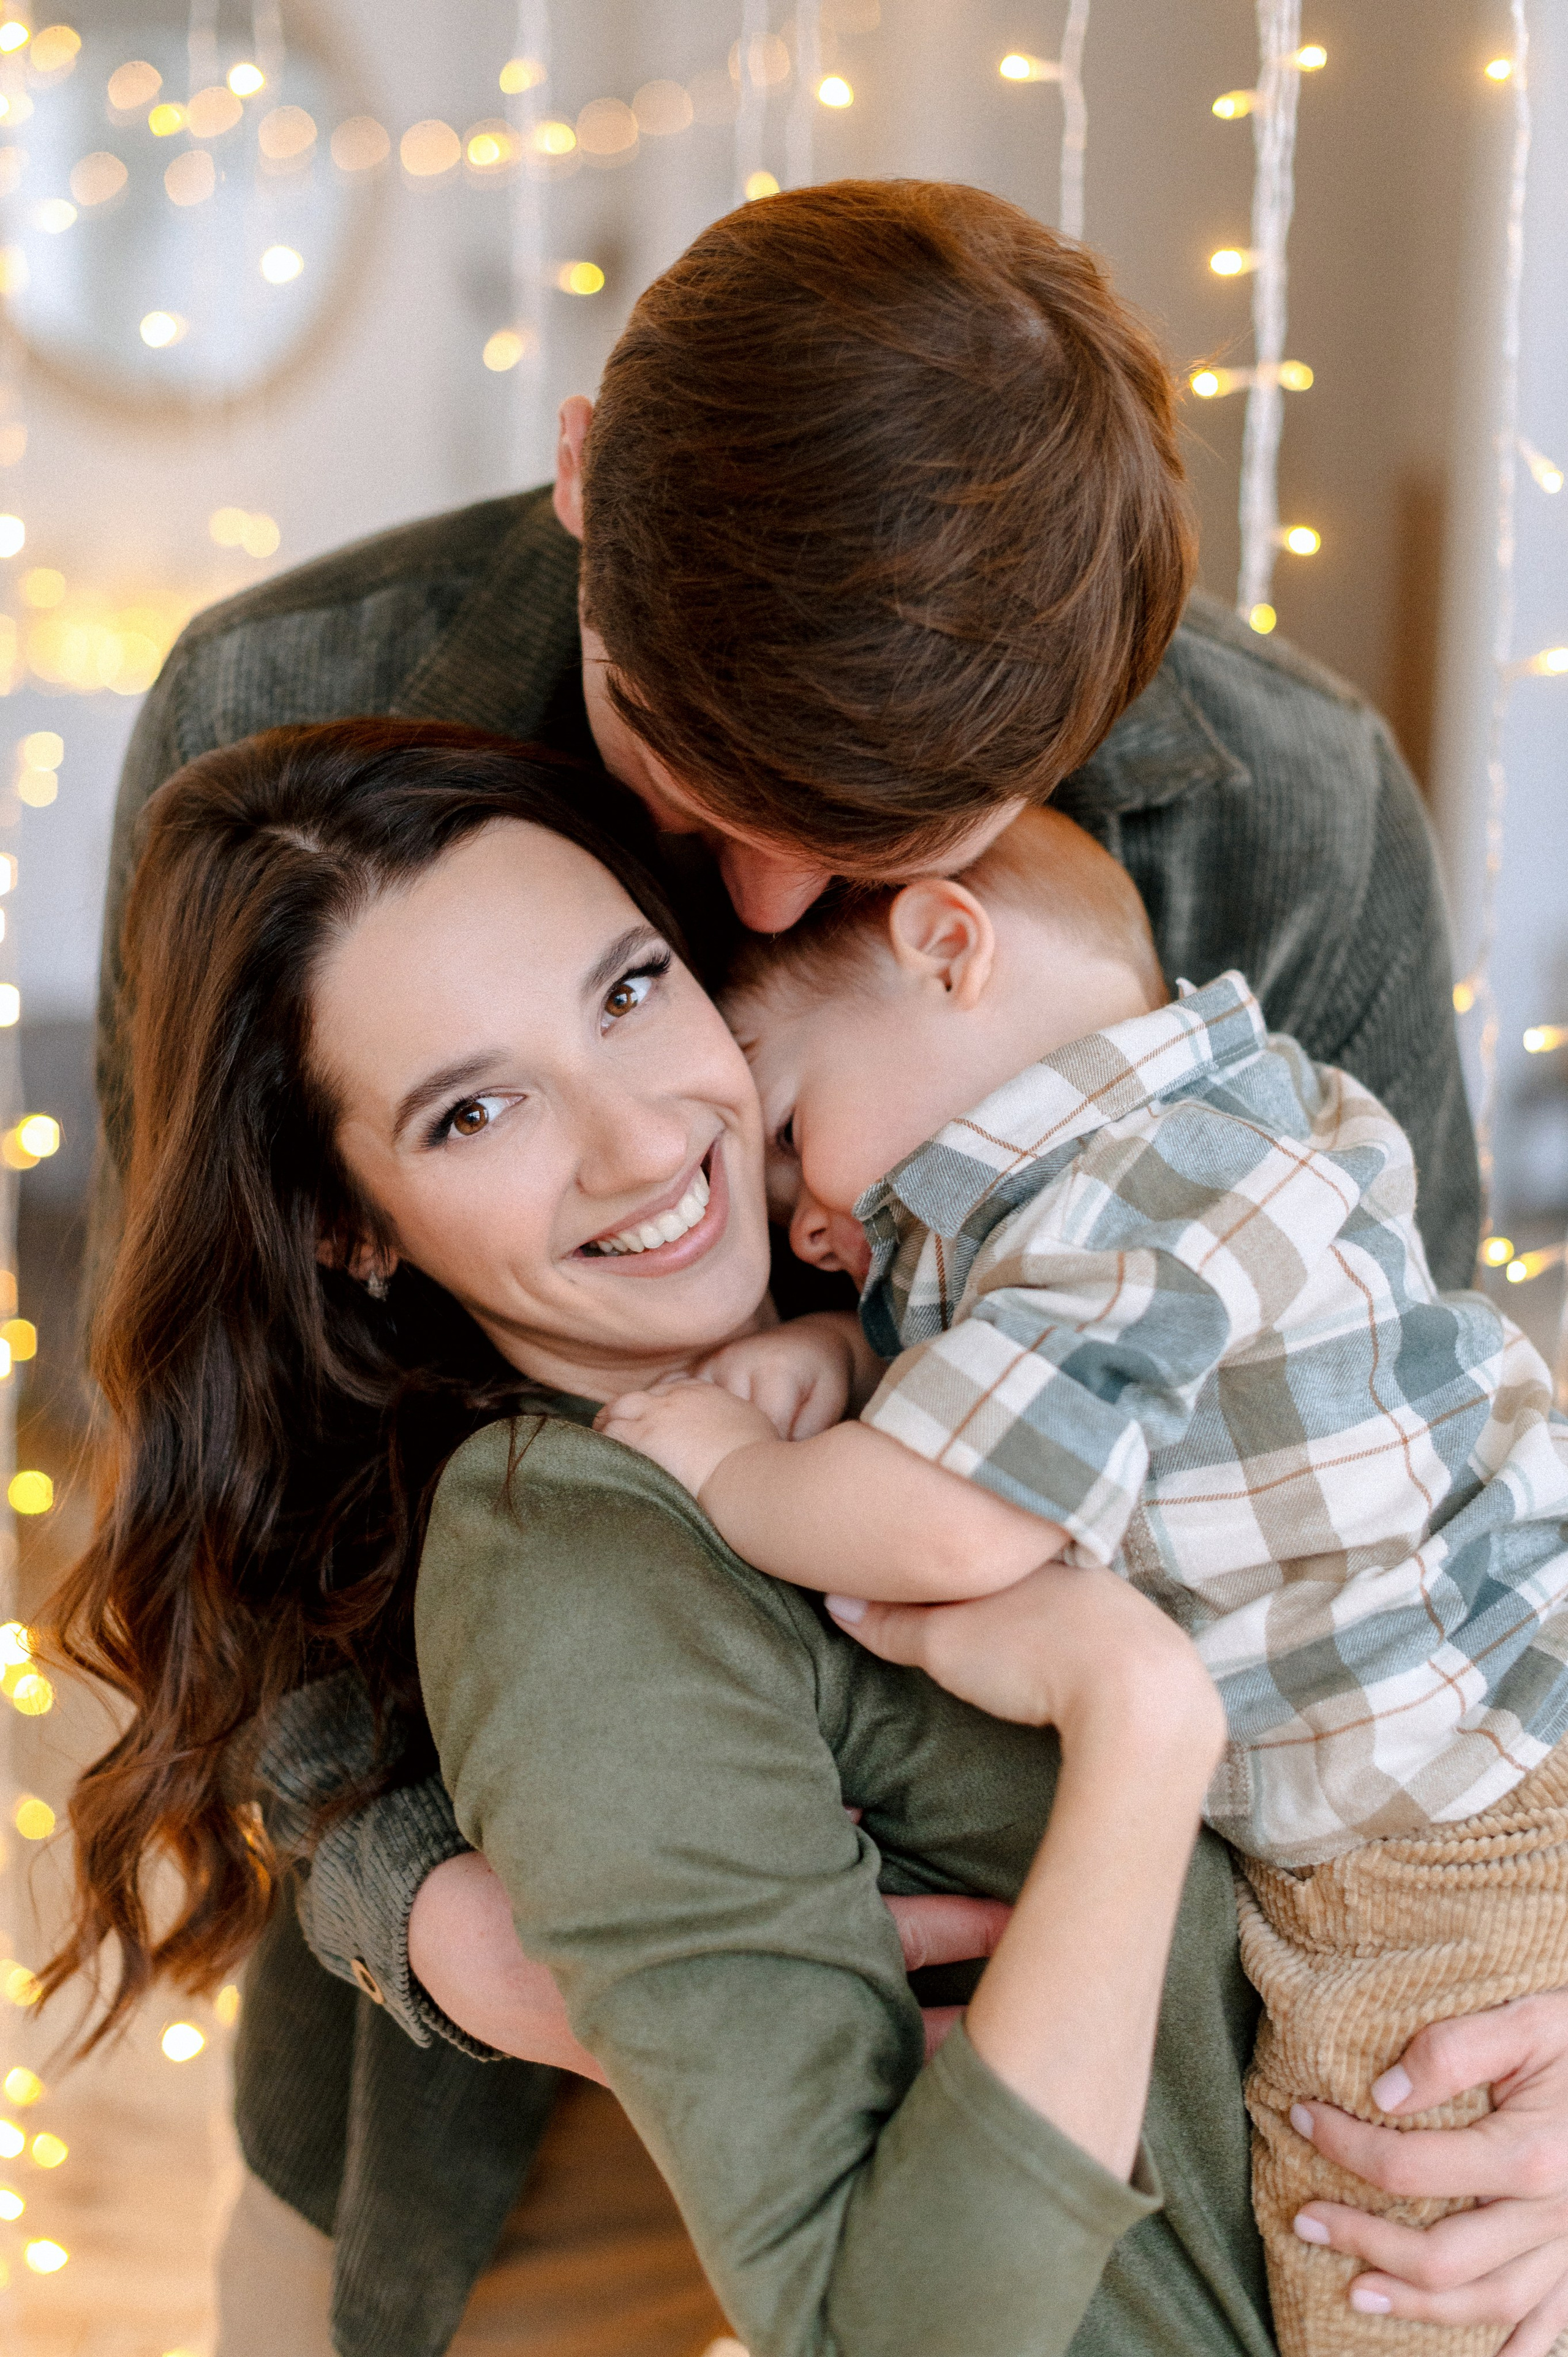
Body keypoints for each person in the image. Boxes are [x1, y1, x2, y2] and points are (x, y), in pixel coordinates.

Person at [86, 181, 1568, 2353]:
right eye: (686, 777)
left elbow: (1425, 1509)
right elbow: (223, 1457)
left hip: (1149, 2045)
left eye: (893, 847)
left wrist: (1520, 2007)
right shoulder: (289, 706)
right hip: (520, 2047)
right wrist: (435, 1910)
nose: (762, 901)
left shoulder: (1290, 805)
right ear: (587, 472)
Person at [55, 722, 1232, 2357]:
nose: (641, 1142)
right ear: (352, 1228)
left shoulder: (948, 1274)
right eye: (474, 1112)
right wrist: (1140, 1722)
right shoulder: (572, 1558)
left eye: (627, 992)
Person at [598, 802, 1568, 2356]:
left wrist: (723, 1460)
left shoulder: (1108, 1209)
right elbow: (1083, 1386)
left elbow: (954, 1524)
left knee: (1385, 2261)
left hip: (1426, 1851)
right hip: (1484, 1761)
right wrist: (841, 1347)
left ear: (946, 948)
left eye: (786, 1125)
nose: (798, 1216)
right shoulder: (1218, 1129)